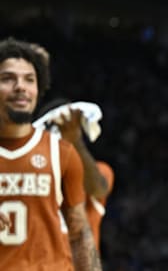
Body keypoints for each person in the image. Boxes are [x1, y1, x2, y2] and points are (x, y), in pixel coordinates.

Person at [0, 37, 101, 270]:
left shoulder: (61, 153)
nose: (21, 87)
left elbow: (79, 235)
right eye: (8, 79)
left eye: (29, 80)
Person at [34, 97, 114, 253]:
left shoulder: (100, 170)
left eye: (69, 129)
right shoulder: (30, 180)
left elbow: (98, 189)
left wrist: (74, 141)